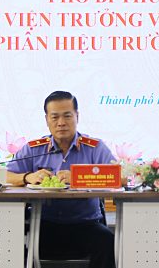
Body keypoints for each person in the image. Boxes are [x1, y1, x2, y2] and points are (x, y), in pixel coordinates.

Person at [7, 91, 115, 268]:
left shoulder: (94, 147)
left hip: (85, 226)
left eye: (67, 116)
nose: (61, 123)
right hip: (43, 226)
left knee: (107, 241)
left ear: (77, 116)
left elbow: (119, 176)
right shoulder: (34, 148)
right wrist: (27, 177)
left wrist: (80, 177)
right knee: (10, 243)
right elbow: (5, 175)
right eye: (55, 117)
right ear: (46, 120)